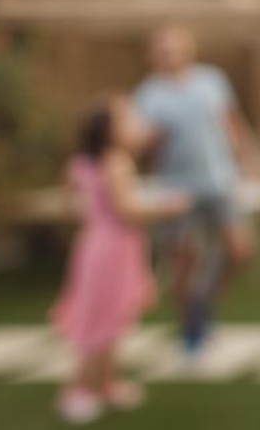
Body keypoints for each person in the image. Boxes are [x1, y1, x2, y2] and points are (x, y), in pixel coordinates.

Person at [50, 96, 190, 425]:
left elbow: (69, 204)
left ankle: (107, 385)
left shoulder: (81, 163)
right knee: (100, 325)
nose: (137, 124)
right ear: (109, 131)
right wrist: (167, 207)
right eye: (128, 120)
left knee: (107, 319)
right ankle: (77, 392)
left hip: (91, 246)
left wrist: (91, 218)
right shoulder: (117, 162)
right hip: (114, 252)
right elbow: (127, 211)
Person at [133, 24, 260, 364]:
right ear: (152, 55)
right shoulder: (149, 94)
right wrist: (149, 140)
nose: (168, 55)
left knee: (240, 250)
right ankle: (190, 332)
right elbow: (141, 142)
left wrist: (249, 159)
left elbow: (231, 122)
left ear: (188, 50)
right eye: (161, 50)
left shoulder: (212, 80)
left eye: (173, 48)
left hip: (220, 181)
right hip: (177, 189)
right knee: (184, 262)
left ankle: (204, 304)